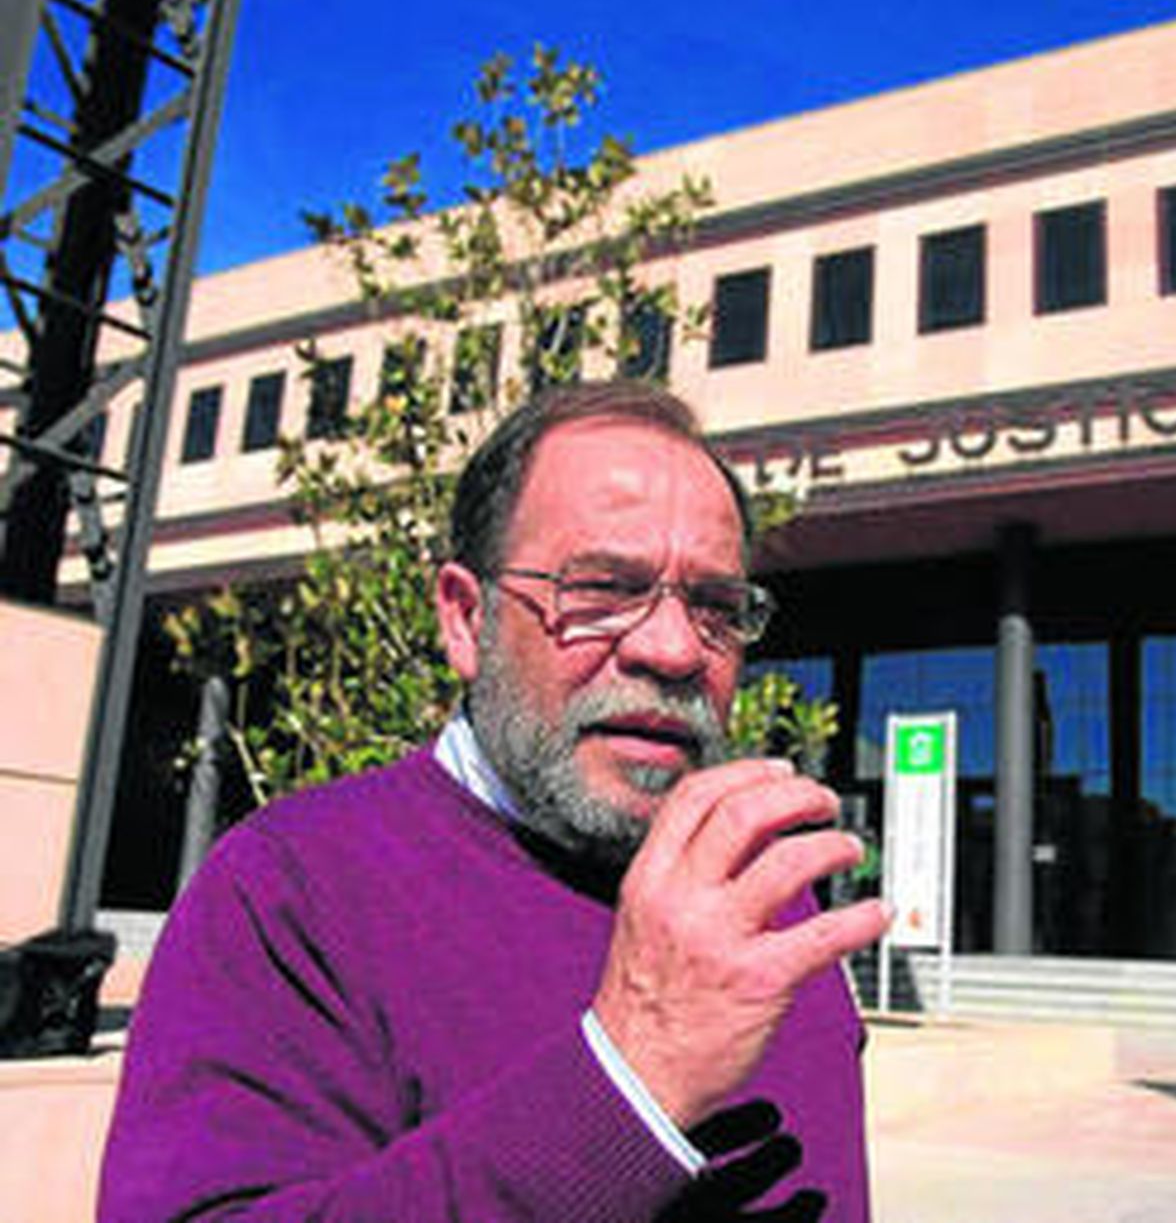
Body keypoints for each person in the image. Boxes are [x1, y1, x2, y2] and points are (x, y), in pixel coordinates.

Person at [98, 383, 892, 1222]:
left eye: (716, 607)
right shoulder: (292, 888)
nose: (672, 648)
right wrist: (626, 1084)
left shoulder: (770, 897)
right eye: (602, 588)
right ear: (465, 620)